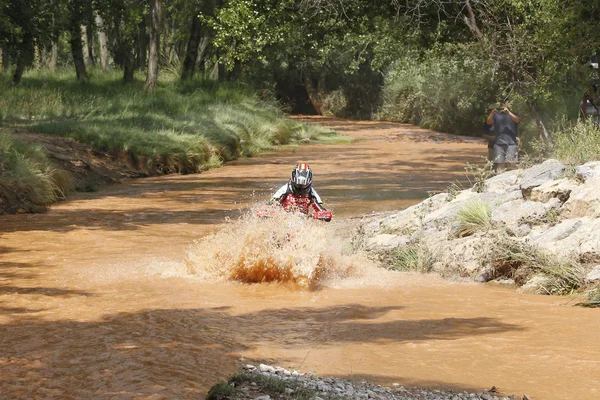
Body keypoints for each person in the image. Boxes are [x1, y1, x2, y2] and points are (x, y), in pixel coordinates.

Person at [486, 101, 520, 171]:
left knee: (512, 164)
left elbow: (517, 120)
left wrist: (508, 113)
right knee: (500, 163)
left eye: (505, 104)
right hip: (499, 143)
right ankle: (499, 179)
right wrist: (492, 113)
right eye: (501, 104)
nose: (503, 106)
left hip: (511, 143)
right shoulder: (497, 115)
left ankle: (512, 180)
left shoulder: (514, 113)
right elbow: (488, 122)